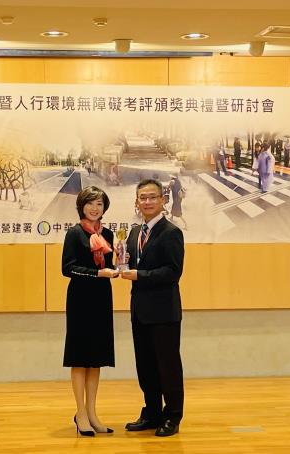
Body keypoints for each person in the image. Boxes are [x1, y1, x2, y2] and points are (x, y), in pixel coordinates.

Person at [121, 179, 185, 437]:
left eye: (152, 197)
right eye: (142, 198)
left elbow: (173, 272)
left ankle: (172, 416)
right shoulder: (135, 232)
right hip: (140, 311)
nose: (147, 202)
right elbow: (128, 262)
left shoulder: (171, 232)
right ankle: (152, 412)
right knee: (145, 365)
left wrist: (140, 275)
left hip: (164, 312)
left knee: (167, 366)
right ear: (137, 201)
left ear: (163, 200)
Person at [62, 186, 118, 437]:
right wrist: (98, 273)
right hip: (80, 299)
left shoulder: (108, 233)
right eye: (91, 203)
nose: (95, 208)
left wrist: (119, 267)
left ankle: (93, 412)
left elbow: (111, 265)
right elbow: (68, 268)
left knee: (96, 358)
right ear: (81, 206)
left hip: (101, 298)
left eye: (100, 204)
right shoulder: (74, 234)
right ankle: (80, 413)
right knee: (80, 357)